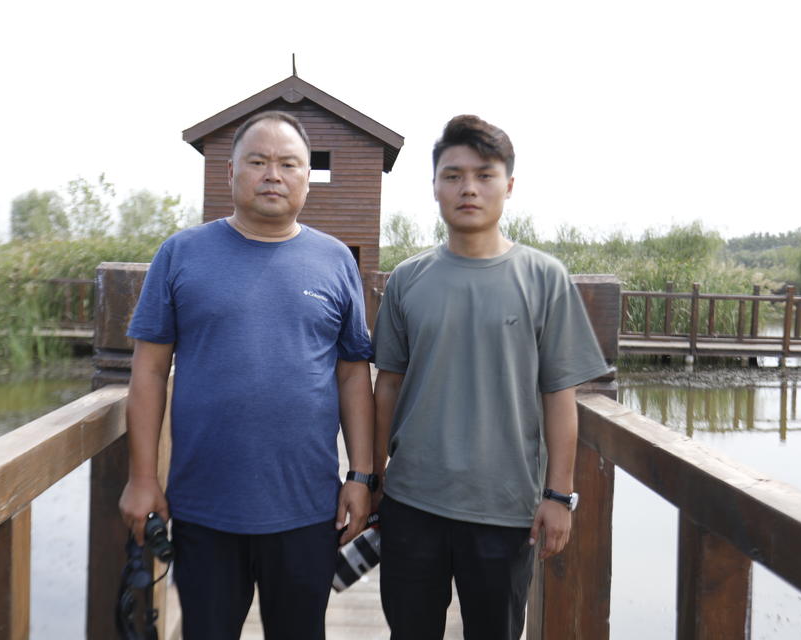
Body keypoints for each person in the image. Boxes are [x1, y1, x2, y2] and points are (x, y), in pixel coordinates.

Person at [119, 110, 376, 639]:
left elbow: (354, 374)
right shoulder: (180, 254)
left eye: (289, 164)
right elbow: (149, 371)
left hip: (307, 508)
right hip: (204, 507)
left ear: (307, 177)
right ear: (231, 171)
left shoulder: (334, 261)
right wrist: (143, 479)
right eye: (257, 161)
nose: (272, 175)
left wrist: (361, 475)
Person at [371, 114, 611, 640]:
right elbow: (387, 383)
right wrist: (371, 475)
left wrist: (559, 495)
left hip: (505, 508)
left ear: (509, 185)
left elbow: (560, 394)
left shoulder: (545, 278)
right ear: (435, 186)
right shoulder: (408, 280)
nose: (469, 188)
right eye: (453, 175)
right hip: (412, 501)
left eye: (484, 175)